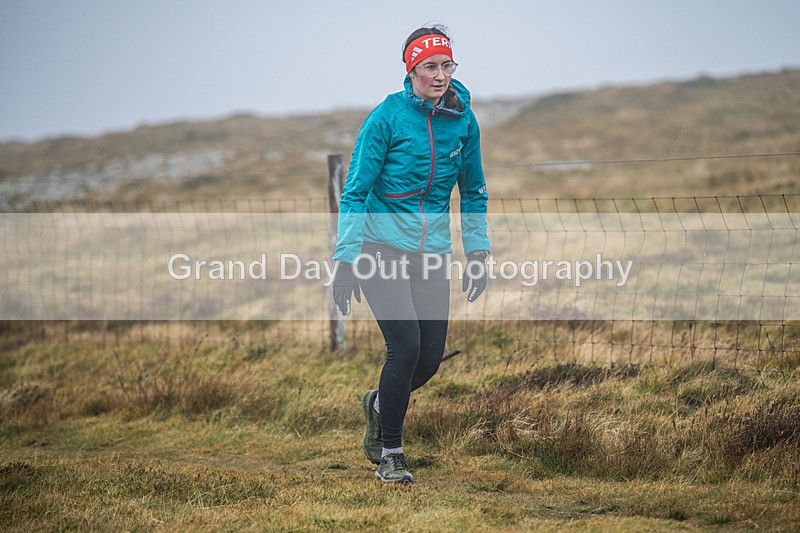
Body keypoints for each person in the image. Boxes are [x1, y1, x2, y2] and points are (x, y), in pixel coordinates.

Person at [332, 24, 490, 483]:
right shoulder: (387, 117)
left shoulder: (464, 121)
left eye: (446, 65)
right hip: (379, 246)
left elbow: (474, 191)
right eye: (429, 67)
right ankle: (391, 454)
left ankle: (380, 403)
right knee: (404, 348)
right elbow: (356, 190)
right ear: (411, 70)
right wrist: (345, 259)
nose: (439, 75)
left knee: (429, 356)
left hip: (432, 251)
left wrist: (477, 252)